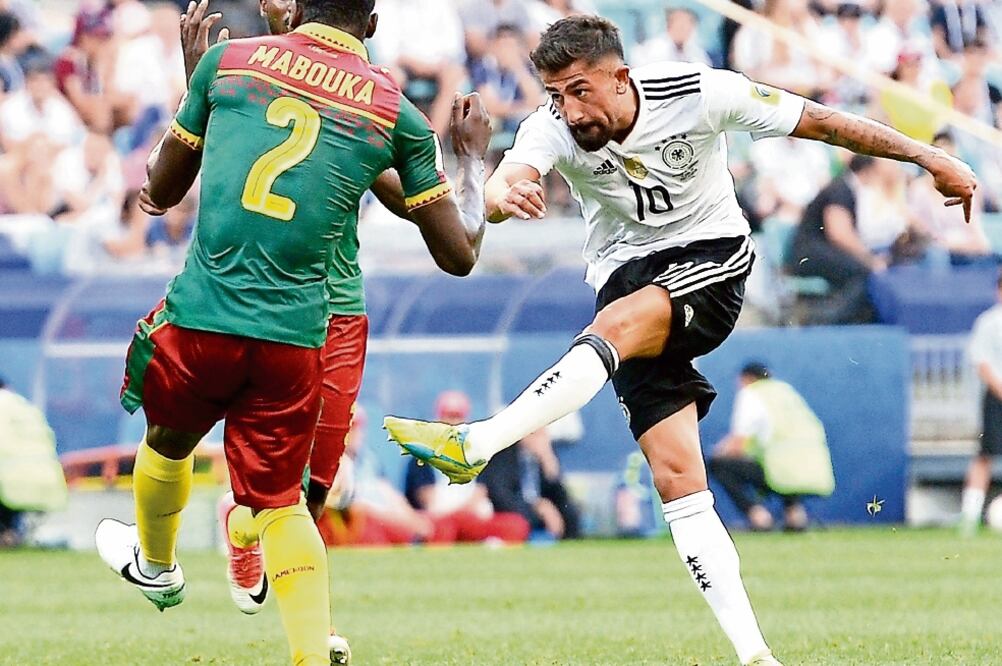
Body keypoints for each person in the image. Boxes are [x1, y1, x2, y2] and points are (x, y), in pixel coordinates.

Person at [384, 14, 976, 666]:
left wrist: (928, 156)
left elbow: (825, 123)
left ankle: (480, 441)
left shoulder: (700, 92)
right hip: (624, 282)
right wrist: (503, 190)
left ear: (621, 77)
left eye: (580, 90)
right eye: (555, 94)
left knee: (610, 329)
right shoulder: (550, 128)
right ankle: (756, 655)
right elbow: (498, 193)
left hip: (710, 260)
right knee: (678, 482)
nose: (568, 109)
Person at [93, 1, 491, 665]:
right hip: (298, 332)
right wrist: (471, 160)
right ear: (371, 24)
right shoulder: (394, 111)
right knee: (287, 504)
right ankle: (309, 649)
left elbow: (158, 194)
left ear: (297, 8)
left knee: (168, 441)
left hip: (204, 314)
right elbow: (458, 254)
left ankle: (157, 565)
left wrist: (197, 92)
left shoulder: (229, 63)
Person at [708, 363, 834, 532]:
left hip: (781, 472)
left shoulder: (751, 394)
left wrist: (717, 451)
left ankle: (759, 518)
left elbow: (738, 442)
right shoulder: (785, 391)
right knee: (787, 465)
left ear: (747, 379)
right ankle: (795, 517)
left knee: (719, 464)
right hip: (815, 472)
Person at [403, 391, 531, 544]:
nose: (453, 423)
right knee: (441, 527)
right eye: (449, 416)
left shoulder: (477, 453)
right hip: (442, 517)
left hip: (470, 516)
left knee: (516, 525)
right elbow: (429, 501)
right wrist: (457, 514)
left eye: (458, 417)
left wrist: (464, 514)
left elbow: (480, 493)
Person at [789, 155, 882, 324]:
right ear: (869, 170)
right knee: (862, 272)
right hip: (810, 254)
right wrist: (869, 259)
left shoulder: (845, 188)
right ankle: (826, 319)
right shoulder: (840, 190)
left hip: (816, 251)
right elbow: (839, 234)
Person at [480, 426, 581, 539]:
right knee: (518, 522)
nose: (538, 440)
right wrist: (535, 507)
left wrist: (549, 464)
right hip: (517, 509)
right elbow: (501, 495)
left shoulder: (546, 455)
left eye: (542, 435)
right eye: (534, 434)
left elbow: (559, 495)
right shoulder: (504, 456)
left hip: (543, 508)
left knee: (571, 512)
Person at [960, 274, 1002, 535]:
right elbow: (982, 363)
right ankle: (969, 516)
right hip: (996, 399)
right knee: (985, 454)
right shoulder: (989, 322)